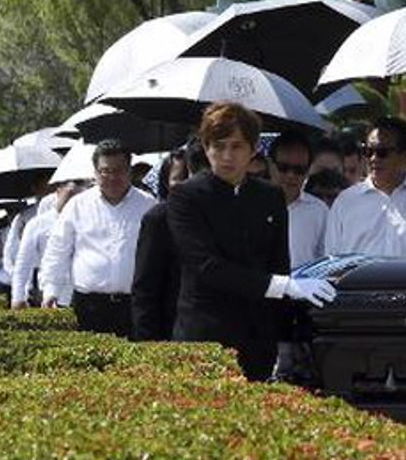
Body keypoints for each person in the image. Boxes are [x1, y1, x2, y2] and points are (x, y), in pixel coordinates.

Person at [167, 102, 336, 381]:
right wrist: (284, 285)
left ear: (253, 149)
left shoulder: (270, 197)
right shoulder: (186, 197)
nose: (227, 156)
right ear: (206, 147)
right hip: (204, 338)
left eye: (236, 146)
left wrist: (284, 337)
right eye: (218, 146)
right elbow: (206, 266)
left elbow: (278, 262)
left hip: (258, 340)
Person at [41, 139, 156, 336]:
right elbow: (58, 249)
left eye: (118, 170)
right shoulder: (78, 205)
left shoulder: (148, 206)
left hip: (135, 306)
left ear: (129, 171)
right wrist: (51, 290)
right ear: (95, 172)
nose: (112, 177)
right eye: (105, 171)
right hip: (88, 306)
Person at [324, 116, 406, 260]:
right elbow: (332, 258)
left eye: (382, 152)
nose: (373, 159)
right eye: (368, 151)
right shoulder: (346, 201)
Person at [131, 142, 208, 341]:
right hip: (170, 333)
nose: (187, 184)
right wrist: (149, 344)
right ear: (166, 182)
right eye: (179, 179)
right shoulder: (158, 220)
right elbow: (145, 290)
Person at [10, 181, 85, 309]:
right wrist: (18, 297)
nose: (73, 200)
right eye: (70, 193)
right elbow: (23, 263)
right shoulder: (38, 224)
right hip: (52, 295)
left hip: (85, 292)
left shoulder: (88, 222)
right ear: (58, 191)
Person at [270, 130, 328, 267]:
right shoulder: (252, 205)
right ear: (271, 165)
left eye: (299, 170)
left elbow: (326, 262)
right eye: (283, 168)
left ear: (308, 171)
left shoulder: (319, 211)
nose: (291, 175)